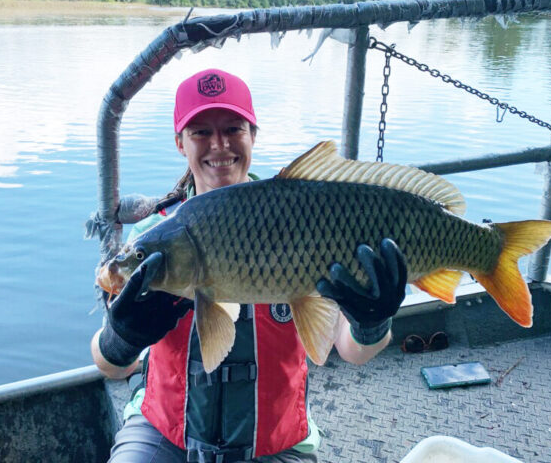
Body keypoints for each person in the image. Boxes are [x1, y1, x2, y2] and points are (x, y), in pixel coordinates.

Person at [91, 68, 407, 463]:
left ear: (252, 135)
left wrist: (373, 319)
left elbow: (352, 352)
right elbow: (110, 366)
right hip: (163, 433)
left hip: (277, 441)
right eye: (201, 132)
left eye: (233, 128)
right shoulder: (154, 240)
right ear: (180, 143)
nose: (219, 145)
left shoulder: (313, 215)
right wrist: (123, 337)